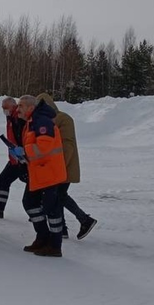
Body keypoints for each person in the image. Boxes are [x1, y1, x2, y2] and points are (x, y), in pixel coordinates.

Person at [11, 95, 68, 257]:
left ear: (31, 108)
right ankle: (42, 237)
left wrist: (24, 152)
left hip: (49, 173)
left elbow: (44, 146)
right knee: (29, 202)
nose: (18, 109)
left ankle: (55, 245)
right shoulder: (31, 121)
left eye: (21, 106)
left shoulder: (41, 120)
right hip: (39, 172)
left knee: (51, 208)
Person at [36, 93, 98, 240]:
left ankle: (83, 220)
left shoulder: (63, 119)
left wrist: (60, 165)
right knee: (58, 196)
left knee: (59, 195)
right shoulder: (47, 119)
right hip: (57, 165)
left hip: (64, 165)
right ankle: (63, 227)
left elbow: (67, 145)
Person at [0, 96, 28, 219]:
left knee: (31, 184)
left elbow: (21, 137)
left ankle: (37, 209)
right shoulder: (10, 118)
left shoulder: (18, 118)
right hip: (14, 158)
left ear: (13, 106)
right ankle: (0, 207)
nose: (4, 110)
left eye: (5, 108)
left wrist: (22, 154)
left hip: (21, 158)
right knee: (4, 178)